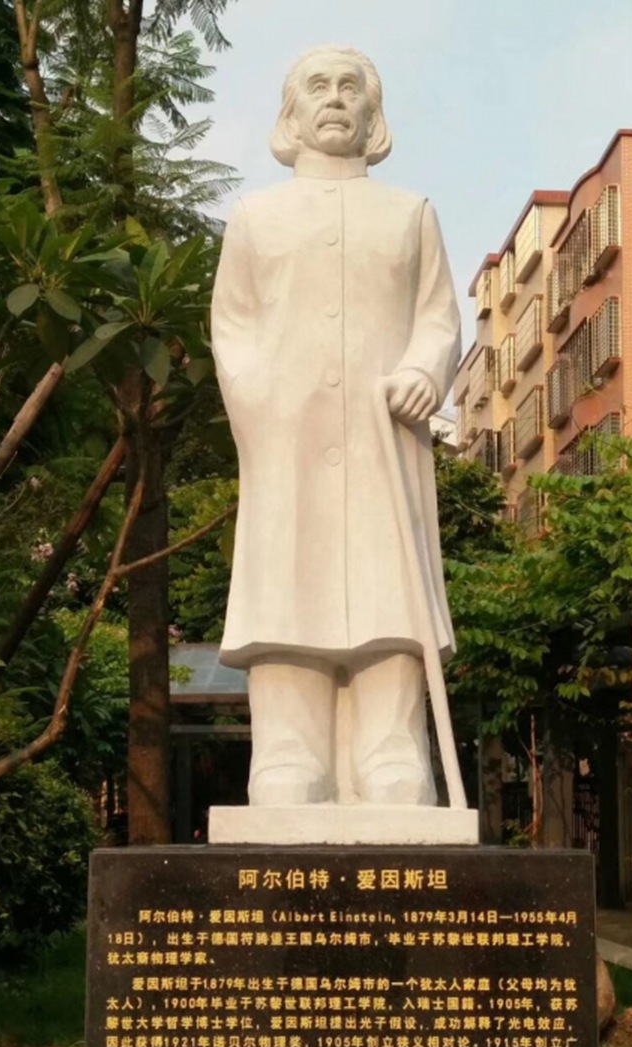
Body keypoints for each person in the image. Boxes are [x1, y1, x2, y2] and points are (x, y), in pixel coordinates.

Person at [211, 45, 461, 809]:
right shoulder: (256, 218)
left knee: (391, 591)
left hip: (386, 435)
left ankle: (392, 753)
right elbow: (232, 327)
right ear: (291, 111)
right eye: (318, 86)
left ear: (372, 113)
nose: (336, 99)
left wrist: (424, 371)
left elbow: (439, 317)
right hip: (286, 440)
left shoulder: (410, 214)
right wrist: (265, 408)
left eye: (351, 87)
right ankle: (289, 754)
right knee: (288, 587)